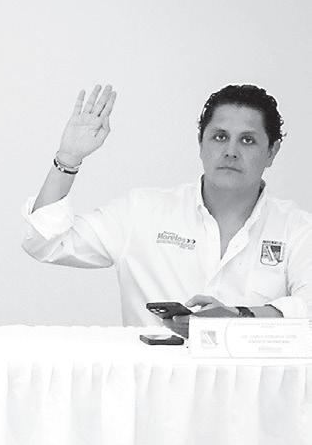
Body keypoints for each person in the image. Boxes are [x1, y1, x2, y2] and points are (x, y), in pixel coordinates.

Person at [22, 83, 312, 330]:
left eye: (247, 140)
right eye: (220, 136)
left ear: (272, 151)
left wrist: (239, 317)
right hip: (155, 379)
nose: (230, 151)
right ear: (201, 143)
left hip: (253, 381)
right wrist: (68, 158)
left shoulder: (297, 228)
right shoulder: (142, 212)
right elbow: (46, 244)